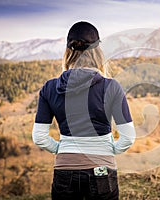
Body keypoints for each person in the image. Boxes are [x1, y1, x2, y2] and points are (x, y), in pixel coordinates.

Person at [32, 21, 136, 200]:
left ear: (68, 52)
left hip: (65, 173)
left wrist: (62, 148)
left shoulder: (49, 88)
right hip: (102, 171)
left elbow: (39, 137)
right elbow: (128, 138)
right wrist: (107, 149)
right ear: (98, 53)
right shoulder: (111, 87)